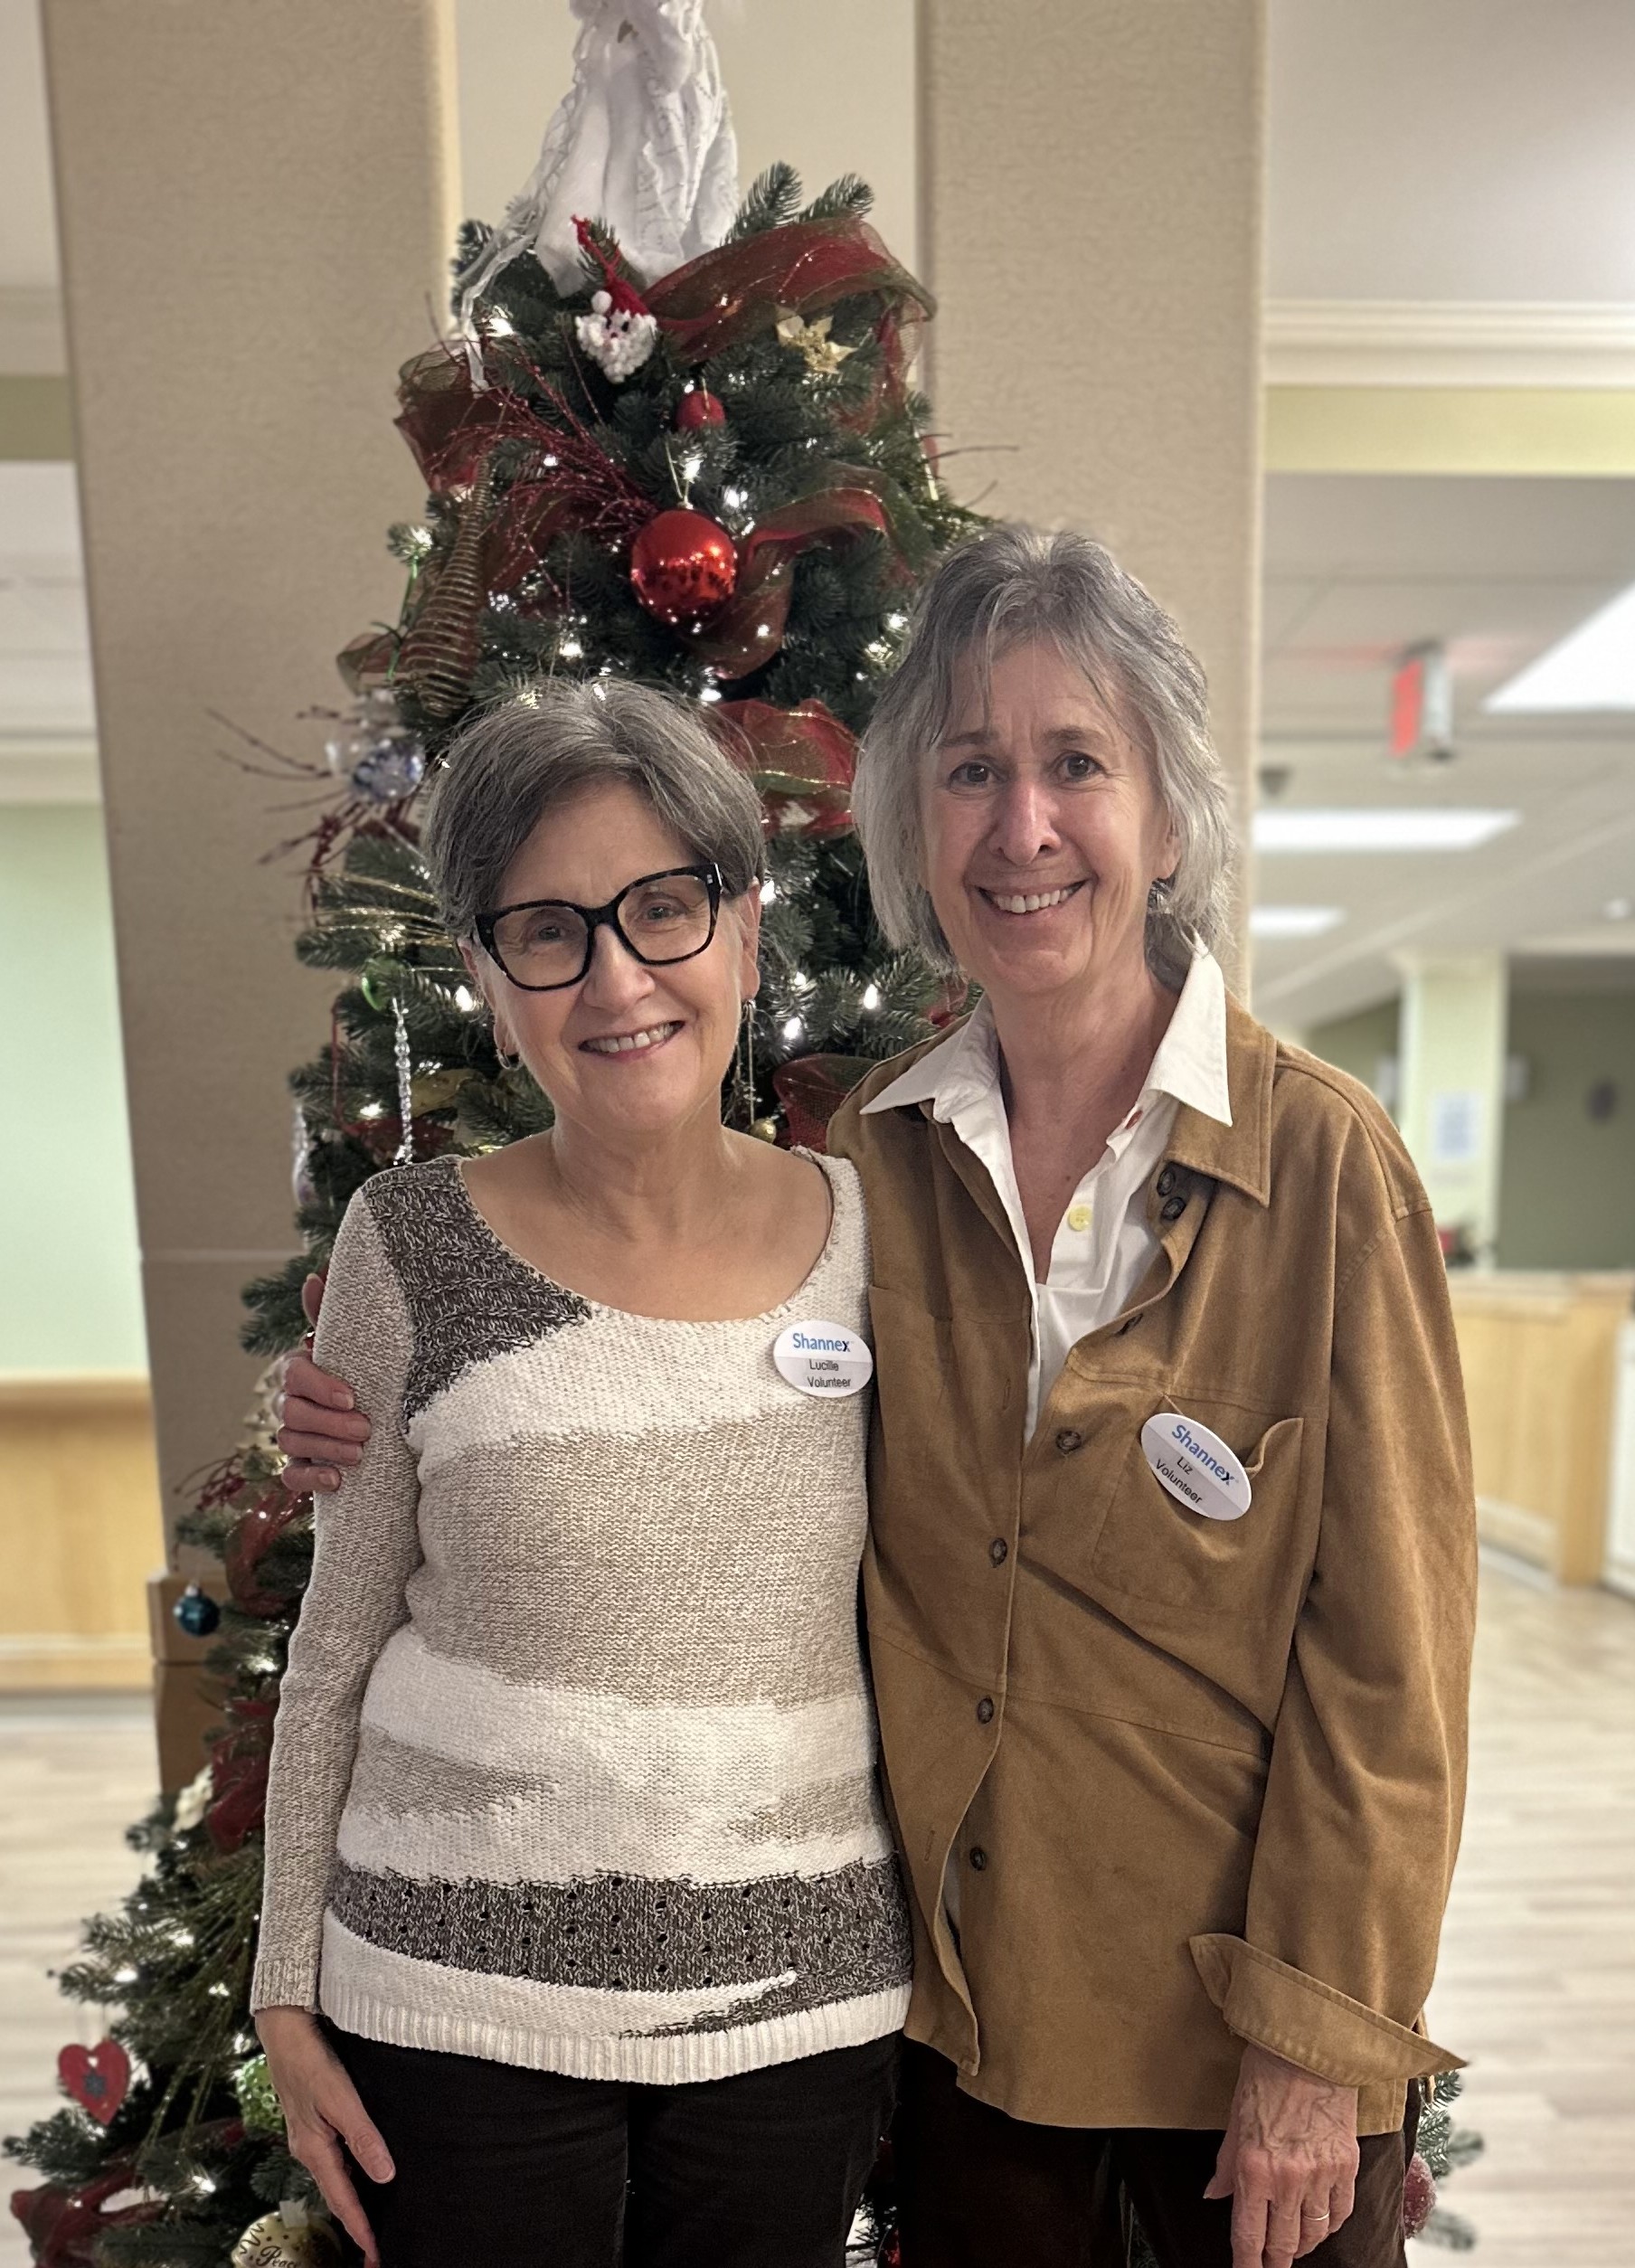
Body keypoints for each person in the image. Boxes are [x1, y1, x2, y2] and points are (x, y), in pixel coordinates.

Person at [280, 527, 1477, 2268]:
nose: (1023, 827)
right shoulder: (881, 1166)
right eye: (970, 771)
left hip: (1238, 2041)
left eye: (1078, 764)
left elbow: (1394, 1660)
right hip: (965, 2034)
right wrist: (345, 1404)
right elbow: (662, 1400)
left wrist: (1318, 2042)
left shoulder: (1323, 1166)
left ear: (1168, 813)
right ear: (912, 823)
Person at [252, 677, 908, 2268]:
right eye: (548, 932)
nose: (618, 977)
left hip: (797, 2011)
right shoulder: (408, 1243)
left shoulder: (874, 1238)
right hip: (447, 2010)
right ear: (489, 980)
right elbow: (336, 1643)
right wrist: (282, 1994)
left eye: (663, 908)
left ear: (743, 928)